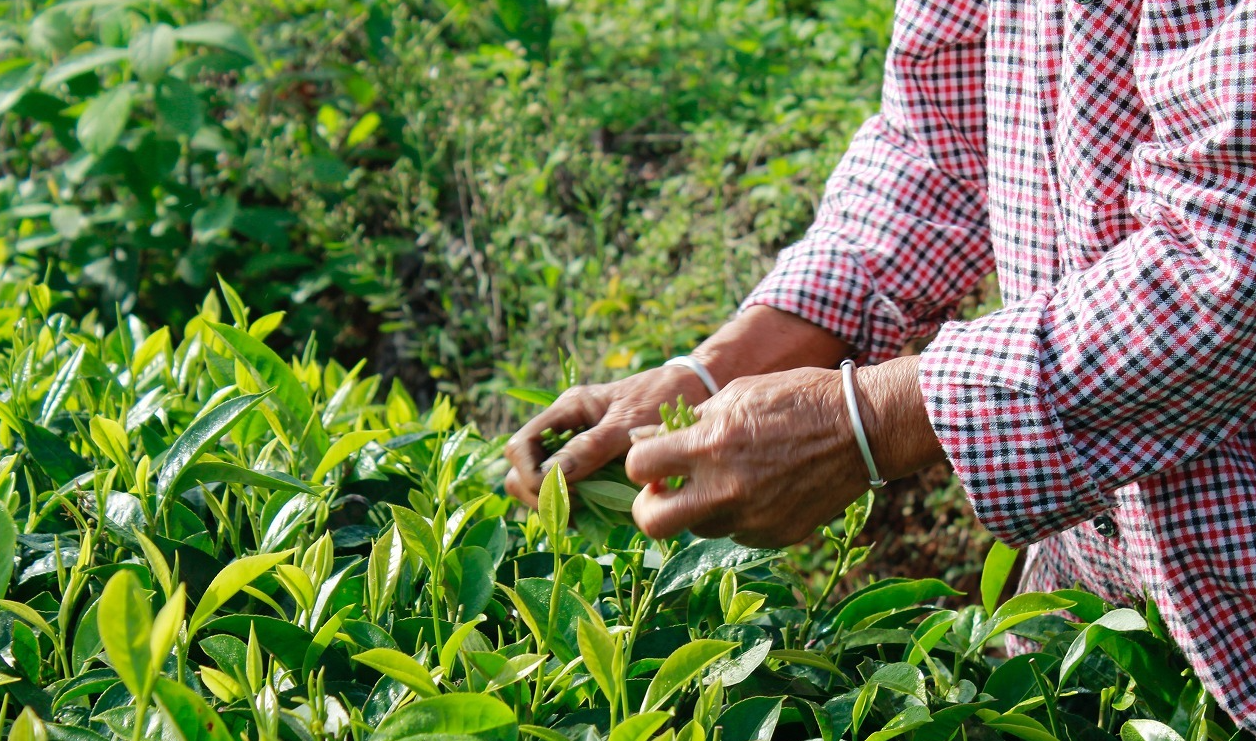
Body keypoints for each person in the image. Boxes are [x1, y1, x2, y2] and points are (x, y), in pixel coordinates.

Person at [504, 0, 1256, 727]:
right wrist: (715, 369)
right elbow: (938, 139)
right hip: (1087, 614)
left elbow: (1230, 261)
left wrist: (867, 420)